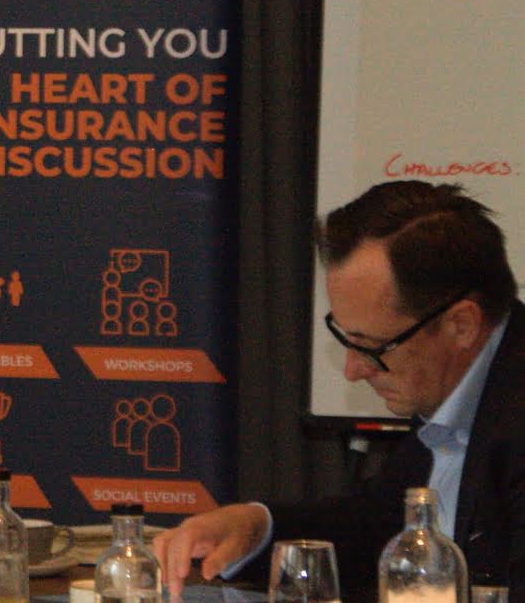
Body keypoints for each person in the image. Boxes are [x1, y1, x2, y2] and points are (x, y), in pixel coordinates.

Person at [152, 182, 524, 602]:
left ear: (461, 325)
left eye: (373, 346)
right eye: (345, 337)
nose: (352, 370)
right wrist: (255, 527)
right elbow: (376, 526)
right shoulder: (457, 389)